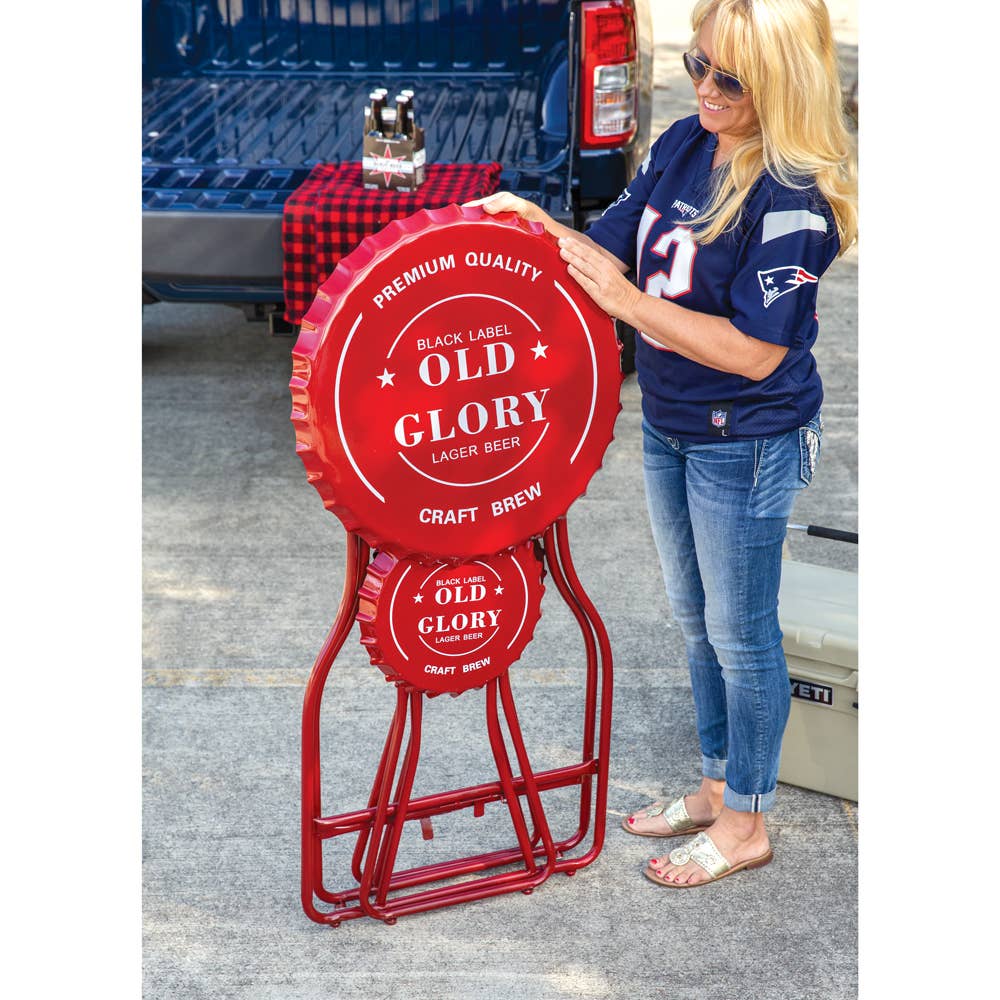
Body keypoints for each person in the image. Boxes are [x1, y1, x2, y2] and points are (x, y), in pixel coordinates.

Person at [467, 0, 857, 888]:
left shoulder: (791, 194)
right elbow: (603, 252)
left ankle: (750, 817)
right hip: (674, 427)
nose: (708, 88)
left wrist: (630, 307)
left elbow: (756, 352)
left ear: (783, 83)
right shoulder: (685, 143)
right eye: (700, 65)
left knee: (741, 632)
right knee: (695, 622)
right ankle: (719, 785)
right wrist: (526, 220)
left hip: (746, 440)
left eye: (733, 78)